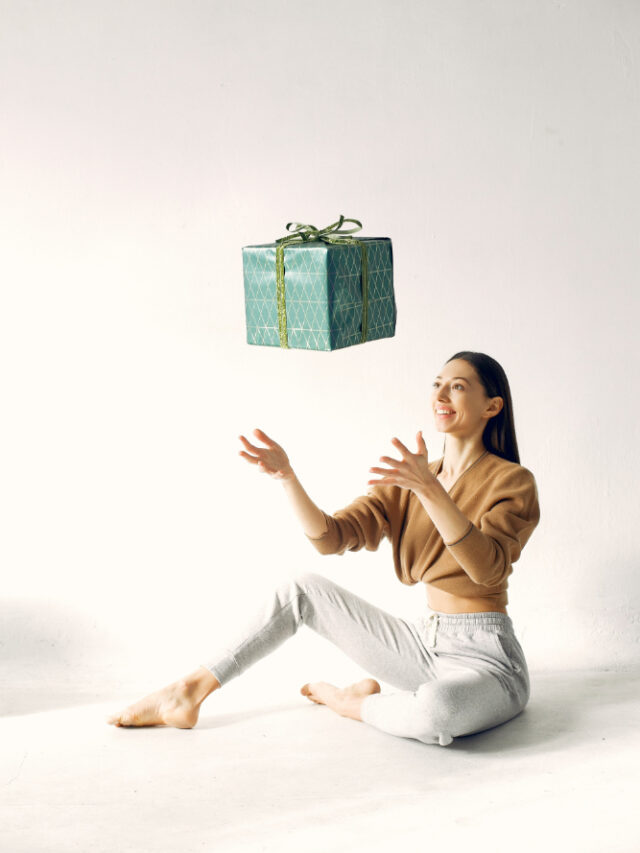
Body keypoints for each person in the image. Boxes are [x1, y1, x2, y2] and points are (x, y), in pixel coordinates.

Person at [108, 351, 540, 746]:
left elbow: (488, 570)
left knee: (437, 710)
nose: (441, 394)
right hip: (423, 645)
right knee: (301, 590)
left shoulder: (511, 481)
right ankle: (188, 691)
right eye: (437, 383)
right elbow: (331, 538)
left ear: (492, 406)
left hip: (487, 660)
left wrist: (431, 491)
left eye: (458, 386)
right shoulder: (413, 477)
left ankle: (347, 703)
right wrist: (287, 478)